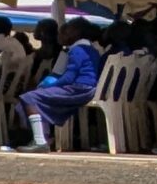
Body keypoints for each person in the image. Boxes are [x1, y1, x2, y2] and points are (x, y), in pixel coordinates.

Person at [16, 20, 102, 150]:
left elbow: (69, 78)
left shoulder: (77, 50)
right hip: (87, 88)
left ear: (77, 33)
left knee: (29, 98)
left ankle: (40, 141)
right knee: (35, 98)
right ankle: (44, 138)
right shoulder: (90, 49)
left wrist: (50, 86)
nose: (62, 34)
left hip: (78, 89)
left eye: (67, 31)